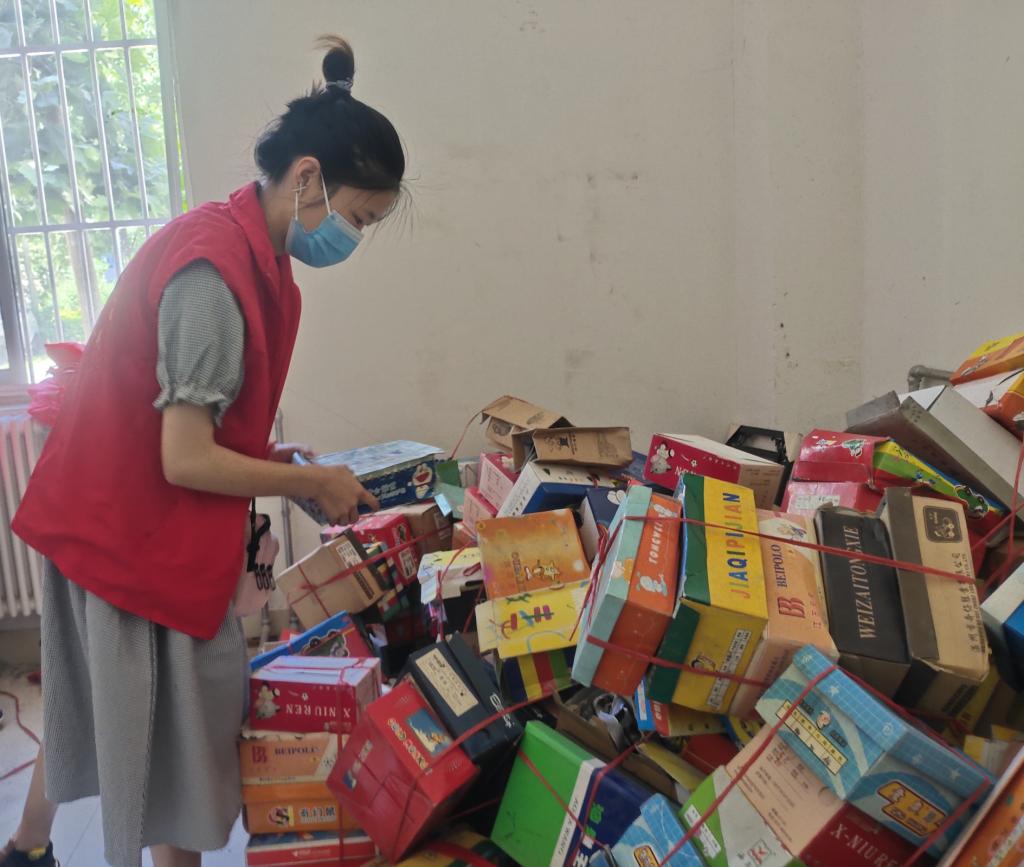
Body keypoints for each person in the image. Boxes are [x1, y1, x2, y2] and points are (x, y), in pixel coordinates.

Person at [2, 35, 404, 867]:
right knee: (171, 744)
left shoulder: (252, 253)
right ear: (307, 178)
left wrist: (280, 461)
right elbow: (184, 457)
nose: (353, 237)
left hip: (120, 513)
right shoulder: (212, 277)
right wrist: (304, 480)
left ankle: (25, 846)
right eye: (359, 217)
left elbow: (207, 422)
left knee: (99, 709)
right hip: (125, 533)